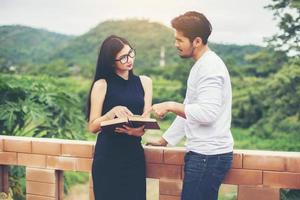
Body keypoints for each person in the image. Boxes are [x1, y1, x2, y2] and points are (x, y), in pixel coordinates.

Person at [146, 11, 234, 200]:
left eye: (180, 40)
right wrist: (165, 140)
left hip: (208, 156)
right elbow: (189, 111)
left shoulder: (210, 68)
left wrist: (170, 105)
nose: (175, 44)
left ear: (197, 41)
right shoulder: (201, 65)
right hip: (203, 156)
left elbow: (207, 113)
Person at [86, 35, 152, 200]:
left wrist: (139, 132)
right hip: (108, 157)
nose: (129, 60)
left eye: (131, 53)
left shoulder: (145, 82)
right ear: (111, 61)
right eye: (123, 57)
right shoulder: (102, 84)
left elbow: (146, 120)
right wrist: (111, 113)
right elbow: (92, 127)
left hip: (133, 155)